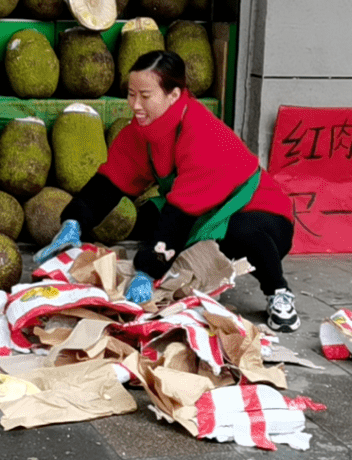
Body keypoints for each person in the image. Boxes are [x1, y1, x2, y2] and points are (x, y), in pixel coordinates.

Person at [33, 50, 301, 331]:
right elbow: (112, 180)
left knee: (244, 235)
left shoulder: (203, 134)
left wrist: (148, 269)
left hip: (259, 213)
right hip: (202, 211)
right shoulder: (143, 131)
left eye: (145, 96)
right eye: (131, 94)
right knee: (148, 217)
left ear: (174, 95)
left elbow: (180, 215)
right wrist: (75, 220)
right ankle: (175, 264)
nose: (135, 105)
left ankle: (279, 292)